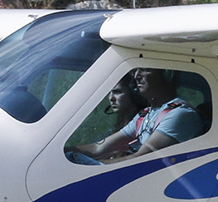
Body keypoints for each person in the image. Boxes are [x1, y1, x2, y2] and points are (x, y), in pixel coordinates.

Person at [70, 68, 203, 163]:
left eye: (144, 70)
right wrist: (60, 153)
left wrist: (94, 168)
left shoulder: (180, 114)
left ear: (166, 74)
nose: (137, 76)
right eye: (136, 71)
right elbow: (98, 148)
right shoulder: (144, 116)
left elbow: (141, 158)